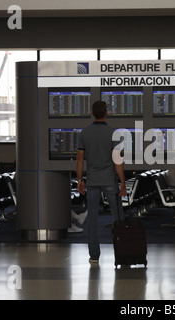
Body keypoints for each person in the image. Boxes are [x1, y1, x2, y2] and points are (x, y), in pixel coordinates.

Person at [76, 100, 127, 265]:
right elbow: (117, 162)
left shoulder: (84, 133)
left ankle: (94, 256)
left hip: (91, 181)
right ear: (106, 113)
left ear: (92, 113)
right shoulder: (113, 133)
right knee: (118, 217)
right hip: (109, 181)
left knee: (92, 219)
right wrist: (123, 183)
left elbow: (79, 160)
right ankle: (122, 252)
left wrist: (79, 180)